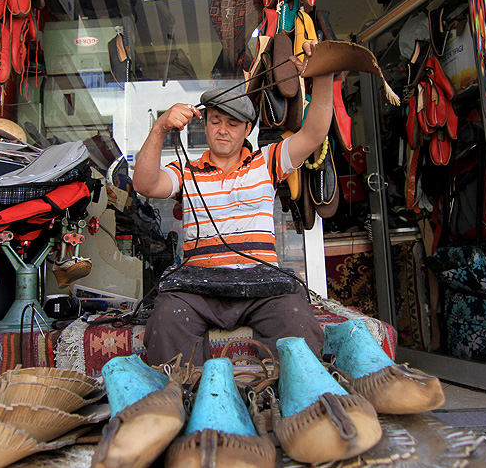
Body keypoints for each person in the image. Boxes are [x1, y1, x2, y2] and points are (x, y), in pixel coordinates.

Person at [133, 40, 335, 365]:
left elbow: (313, 135)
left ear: (247, 130)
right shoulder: (185, 171)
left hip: (261, 284)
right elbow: (144, 183)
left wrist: (323, 75)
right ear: (205, 124)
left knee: (297, 319)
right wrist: (160, 127)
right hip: (199, 287)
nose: (223, 130)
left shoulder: (267, 162)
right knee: (165, 319)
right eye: (215, 120)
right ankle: (185, 400)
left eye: (233, 123)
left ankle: (296, 399)